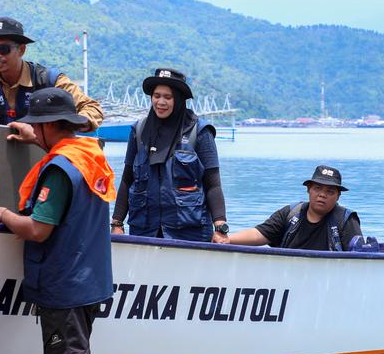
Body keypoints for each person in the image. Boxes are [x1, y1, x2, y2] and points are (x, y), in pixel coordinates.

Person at [0, 88, 114, 354]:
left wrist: (4, 215)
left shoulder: (59, 170)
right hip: (89, 281)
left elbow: (39, 229)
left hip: (64, 286)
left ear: (49, 125)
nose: (33, 130)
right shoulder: (88, 156)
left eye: (37, 125)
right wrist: (38, 140)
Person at [111, 68, 228, 243]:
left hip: (189, 233)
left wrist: (220, 227)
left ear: (179, 99)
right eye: (156, 96)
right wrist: (117, 223)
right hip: (144, 231)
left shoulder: (200, 132)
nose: (160, 102)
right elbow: (127, 179)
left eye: (168, 97)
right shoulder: (139, 131)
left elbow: (213, 184)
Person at [0, 16, 103, 132]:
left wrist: (64, 126)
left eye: (3, 49)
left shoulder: (50, 81)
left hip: (47, 160)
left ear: (21, 50)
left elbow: (93, 108)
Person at [229, 165, 363, 251]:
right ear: (308, 190)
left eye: (330, 191)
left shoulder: (345, 220)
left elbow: (357, 258)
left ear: (338, 196)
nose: (322, 195)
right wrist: (227, 239)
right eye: (317, 188)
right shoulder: (290, 213)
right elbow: (260, 234)